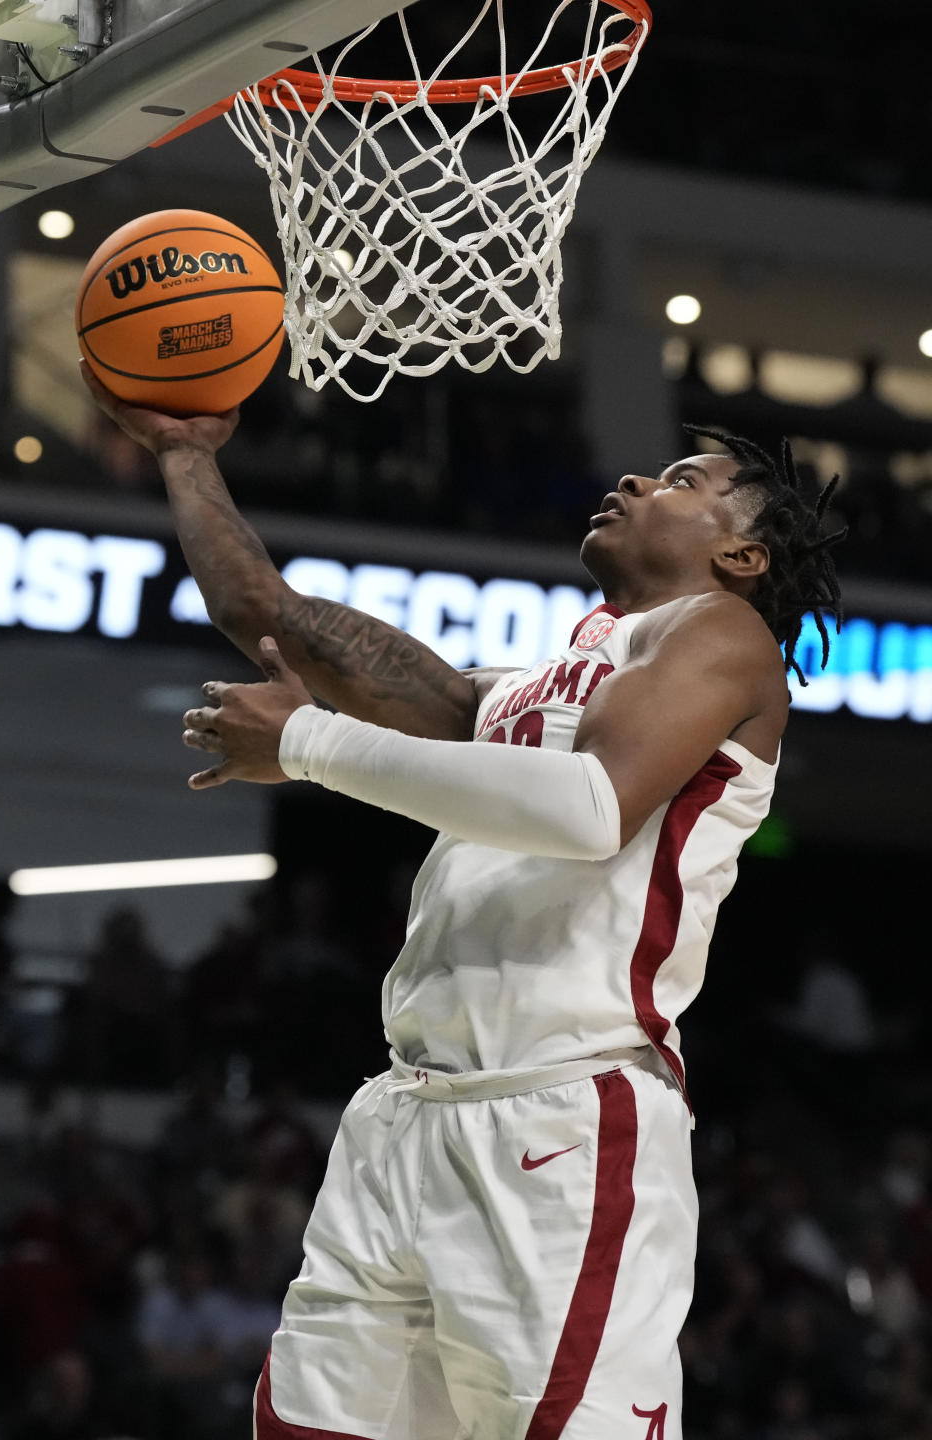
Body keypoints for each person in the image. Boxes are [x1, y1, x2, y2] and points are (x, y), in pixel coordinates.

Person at [81, 359, 843, 1440]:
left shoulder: (720, 636)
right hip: (403, 1116)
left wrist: (306, 742)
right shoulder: (522, 689)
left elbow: (589, 807)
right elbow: (264, 612)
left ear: (742, 554)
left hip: (561, 1120)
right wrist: (186, 457)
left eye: (679, 479)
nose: (632, 479)